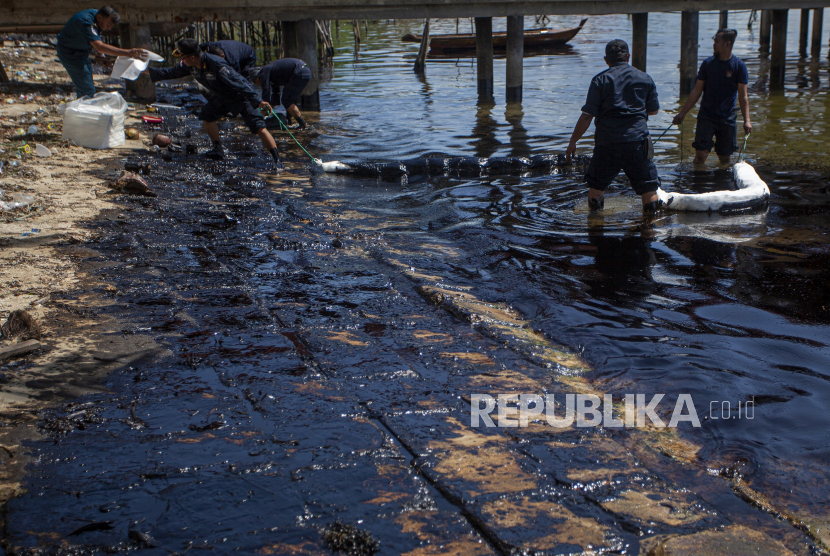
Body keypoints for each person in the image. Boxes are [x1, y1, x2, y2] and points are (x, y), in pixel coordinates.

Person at [147, 38, 282, 169]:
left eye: (183, 58)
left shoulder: (216, 63)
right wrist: (144, 71)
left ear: (192, 57)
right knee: (206, 115)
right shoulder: (190, 66)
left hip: (240, 97)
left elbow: (239, 81)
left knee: (259, 127)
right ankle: (217, 149)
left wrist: (258, 101)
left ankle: (277, 161)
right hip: (222, 97)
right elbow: (170, 72)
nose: (182, 61)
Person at [566, 39, 662, 213]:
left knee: (597, 187)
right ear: (628, 57)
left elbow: (587, 116)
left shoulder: (600, 80)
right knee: (649, 188)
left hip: (607, 143)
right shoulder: (645, 78)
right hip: (637, 141)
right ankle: (649, 230)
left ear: (606, 59)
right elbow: (653, 111)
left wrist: (573, 141)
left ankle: (595, 227)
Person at [672, 29, 752, 164]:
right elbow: (697, 91)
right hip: (707, 116)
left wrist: (747, 120)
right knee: (701, 155)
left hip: (727, 117)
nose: (714, 44)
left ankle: (721, 182)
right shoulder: (708, 64)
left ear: (727, 44)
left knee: (725, 158)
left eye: (716, 42)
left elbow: (743, 96)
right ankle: (698, 181)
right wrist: (682, 113)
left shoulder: (739, 66)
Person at [57, 6, 145, 99]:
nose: (109, 28)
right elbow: (99, 46)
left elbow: (96, 37)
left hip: (82, 52)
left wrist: (101, 56)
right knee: (87, 90)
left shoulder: (98, 17)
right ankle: (86, 110)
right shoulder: (85, 21)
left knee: (87, 85)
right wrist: (129, 52)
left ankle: (84, 108)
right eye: (108, 24)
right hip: (69, 52)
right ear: (99, 17)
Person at [254, 59, 312, 129]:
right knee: (289, 98)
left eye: (256, 83)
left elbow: (266, 91)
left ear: (257, 78)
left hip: (299, 71)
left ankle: (302, 124)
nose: (258, 85)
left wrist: (263, 107)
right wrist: (268, 109)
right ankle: (290, 122)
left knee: (287, 100)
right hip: (305, 71)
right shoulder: (272, 74)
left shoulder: (263, 72)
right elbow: (276, 94)